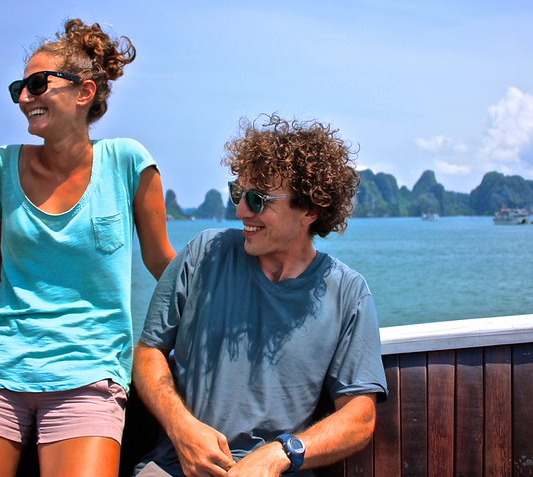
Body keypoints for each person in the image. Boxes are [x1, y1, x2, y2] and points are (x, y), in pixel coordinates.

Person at [0, 19, 176, 476]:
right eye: (19, 88)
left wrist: (222, 318)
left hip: (89, 374)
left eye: (36, 84)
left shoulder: (127, 161)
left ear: (84, 92)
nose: (24, 98)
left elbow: (161, 262)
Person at [133, 115, 388, 476]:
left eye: (257, 199)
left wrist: (280, 454)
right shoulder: (203, 254)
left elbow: (359, 417)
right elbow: (147, 352)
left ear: (310, 210)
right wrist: (182, 427)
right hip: (179, 464)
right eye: (238, 193)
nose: (240, 211)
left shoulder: (347, 293)